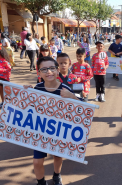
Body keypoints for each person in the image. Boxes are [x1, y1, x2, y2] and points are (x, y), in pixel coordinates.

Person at [24, 56, 79, 185]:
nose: (48, 71)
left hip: (58, 131)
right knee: (37, 161)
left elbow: (82, 110)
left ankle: (56, 175)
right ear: (39, 73)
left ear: (57, 70)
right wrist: (24, 93)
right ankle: (41, 182)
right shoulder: (36, 89)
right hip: (40, 131)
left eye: (52, 68)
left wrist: (71, 97)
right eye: (44, 69)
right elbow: (26, 108)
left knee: (58, 156)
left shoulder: (65, 90)